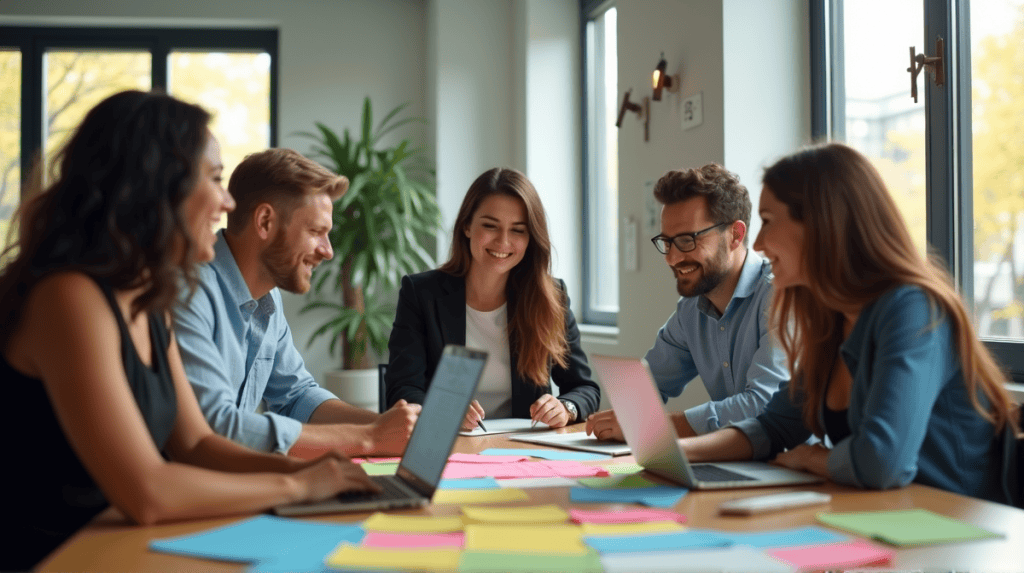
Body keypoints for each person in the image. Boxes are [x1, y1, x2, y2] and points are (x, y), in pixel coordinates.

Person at [0, 90, 378, 570]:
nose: (226, 202)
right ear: (160, 187)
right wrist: (300, 485)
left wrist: (322, 473)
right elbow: (147, 491)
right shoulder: (70, 298)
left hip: (128, 545)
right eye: (216, 179)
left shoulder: (149, 301)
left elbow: (197, 443)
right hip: (60, 556)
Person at [677, 143, 1019, 502]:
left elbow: (882, 462)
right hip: (884, 519)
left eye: (769, 221)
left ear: (822, 224)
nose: (758, 244)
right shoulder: (833, 320)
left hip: (954, 539)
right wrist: (678, 452)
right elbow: (774, 426)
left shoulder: (914, 309)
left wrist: (812, 457)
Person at [173, 148, 420, 459]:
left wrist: (389, 428)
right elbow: (216, 426)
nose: (328, 251)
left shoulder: (267, 297)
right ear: (265, 222)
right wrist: (369, 437)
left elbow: (297, 396)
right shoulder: (189, 292)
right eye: (316, 231)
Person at [385, 167, 600, 429]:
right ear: (466, 226)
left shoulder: (551, 297)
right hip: (445, 447)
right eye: (490, 226)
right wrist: (443, 410)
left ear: (531, 237)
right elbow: (403, 389)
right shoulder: (421, 294)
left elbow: (584, 388)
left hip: (523, 450)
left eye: (518, 230)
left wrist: (566, 407)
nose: (503, 241)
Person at [587, 163, 788, 441]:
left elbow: (764, 406)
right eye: (667, 242)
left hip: (800, 470)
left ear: (735, 235)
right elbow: (648, 386)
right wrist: (619, 419)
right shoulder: (691, 310)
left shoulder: (780, 296)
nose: (672, 258)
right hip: (737, 463)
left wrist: (651, 428)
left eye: (686, 240)